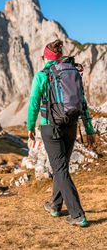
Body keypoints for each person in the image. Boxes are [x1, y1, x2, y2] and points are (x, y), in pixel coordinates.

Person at [28, 39, 95, 226]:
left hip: (51, 127)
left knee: (60, 169)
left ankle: (77, 215)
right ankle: (55, 206)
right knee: (61, 167)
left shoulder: (42, 76)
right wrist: (89, 130)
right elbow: (82, 103)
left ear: (46, 58)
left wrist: (30, 127)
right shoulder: (72, 72)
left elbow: (34, 103)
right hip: (71, 126)